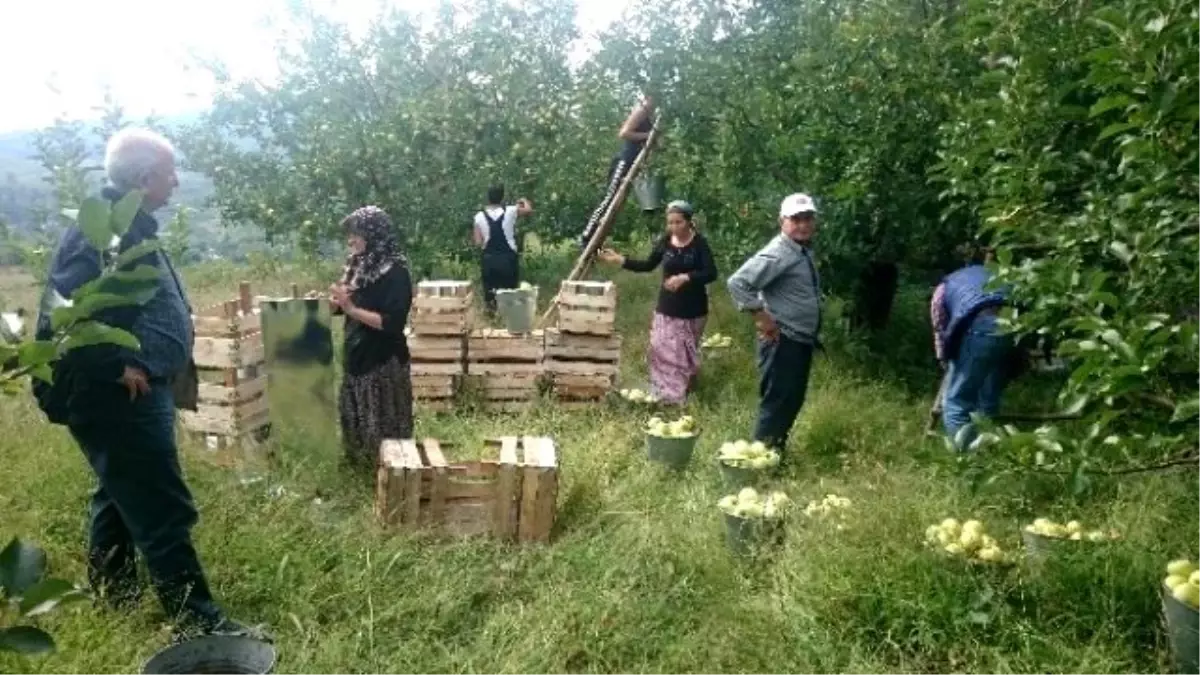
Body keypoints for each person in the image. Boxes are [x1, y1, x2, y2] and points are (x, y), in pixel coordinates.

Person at [31, 128, 259, 641]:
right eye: (170, 173)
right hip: (117, 395)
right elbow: (65, 311)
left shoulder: (128, 222)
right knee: (160, 504)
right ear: (143, 178)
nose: (177, 181)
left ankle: (115, 594)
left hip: (135, 389)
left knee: (117, 492)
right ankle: (199, 620)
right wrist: (115, 364)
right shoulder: (105, 227)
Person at [727, 193, 823, 460]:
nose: (803, 224)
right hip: (783, 339)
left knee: (792, 400)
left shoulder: (799, 250)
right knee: (778, 400)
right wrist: (760, 316)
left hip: (799, 339)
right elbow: (738, 283)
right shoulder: (779, 252)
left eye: (808, 218)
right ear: (783, 221)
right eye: (796, 219)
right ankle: (759, 460)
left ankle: (773, 453)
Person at [598, 200, 717, 404]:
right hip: (668, 307)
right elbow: (647, 265)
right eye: (670, 223)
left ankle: (682, 392)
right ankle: (668, 397)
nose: (673, 227)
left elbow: (710, 272)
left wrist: (686, 278)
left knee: (683, 356)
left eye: (678, 222)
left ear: (689, 222)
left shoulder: (699, 244)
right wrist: (620, 260)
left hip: (692, 309)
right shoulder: (666, 241)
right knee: (661, 350)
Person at [329, 206, 414, 466]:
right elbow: (346, 306)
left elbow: (392, 323)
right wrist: (335, 305)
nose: (350, 240)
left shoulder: (396, 273)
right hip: (357, 353)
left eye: (357, 234)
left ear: (374, 235)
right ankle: (360, 466)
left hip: (382, 359)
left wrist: (351, 309)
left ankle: (389, 469)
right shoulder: (358, 266)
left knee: (383, 421)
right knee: (356, 416)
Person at [930, 246, 1014, 449]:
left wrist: (944, 357)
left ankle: (966, 461)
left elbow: (940, 325)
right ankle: (987, 449)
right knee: (988, 397)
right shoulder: (999, 277)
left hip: (978, 329)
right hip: (1012, 327)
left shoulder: (946, 285)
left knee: (957, 401)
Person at [576, 95, 656, 250]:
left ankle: (598, 239)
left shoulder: (651, 116)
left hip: (635, 164)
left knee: (618, 204)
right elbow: (624, 133)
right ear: (648, 97)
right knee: (610, 198)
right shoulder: (641, 110)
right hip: (624, 161)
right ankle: (586, 236)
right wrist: (649, 136)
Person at [473, 184, 533, 314]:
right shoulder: (511, 211)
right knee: (510, 294)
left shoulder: (479, 216)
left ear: (487, 198)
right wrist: (523, 200)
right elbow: (528, 210)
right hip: (508, 259)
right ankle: (509, 320)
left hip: (489, 260)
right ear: (502, 198)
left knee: (490, 296)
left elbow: (478, 242)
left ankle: (492, 320)